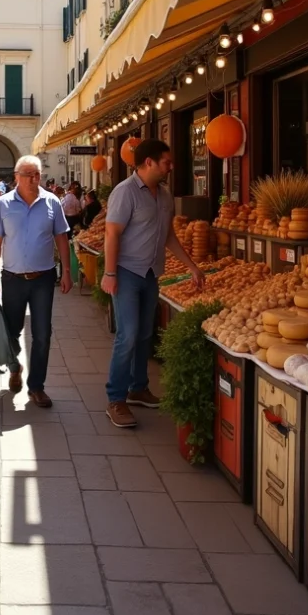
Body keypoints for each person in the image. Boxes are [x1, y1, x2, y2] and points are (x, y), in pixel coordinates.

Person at [101, 139, 205, 429]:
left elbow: (168, 235)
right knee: (129, 334)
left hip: (151, 273)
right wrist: (109, 274)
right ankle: (116, 399)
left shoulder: (165, 195)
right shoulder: (125, 193)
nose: (171, 166)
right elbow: (112, 233)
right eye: (166, 162)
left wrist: (191, 267)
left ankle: (138, 388)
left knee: (145, 333)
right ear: (149, 162)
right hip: (126, 272)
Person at [0, 156, 72, 407]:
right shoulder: (3, 204)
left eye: (38, 174)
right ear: (16, 176)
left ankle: (37, 387)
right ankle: (15, 367)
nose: (35, 179)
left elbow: (62, 238)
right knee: (11, 331)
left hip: (43, 278)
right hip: (12, 278)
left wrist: (66, 271)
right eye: (29, 175)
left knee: (43, 334)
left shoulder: (52, 202)